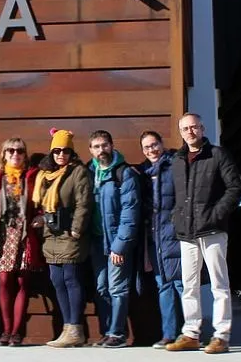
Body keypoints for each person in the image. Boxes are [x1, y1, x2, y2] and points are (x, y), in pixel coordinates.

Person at [165, 113, 241, 355]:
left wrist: (216, 214)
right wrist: (176, 217)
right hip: (186, 233)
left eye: (194, 127)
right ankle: (191, 333)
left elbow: (235, 187)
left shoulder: (218, 155)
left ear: (202, 128)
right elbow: (176, 196)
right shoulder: (177, 160)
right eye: (185, 128)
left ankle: (221, 335)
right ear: (181, 132)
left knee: (219, 285)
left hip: (212, 230)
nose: (190, 132)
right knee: (189, 285)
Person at [0, 137, 43, 347]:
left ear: (25, 154)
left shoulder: (32, 178)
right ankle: (5, 330)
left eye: (20, 151)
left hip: (25, 236)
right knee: (5, 281)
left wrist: (40, 217)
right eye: (11, 151)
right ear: (3, 154)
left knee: (23, 282)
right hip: (2, 237)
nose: (15, 154)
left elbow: (41, 205)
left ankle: (16, 332)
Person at [34, 129, 91, 348]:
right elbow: (42, 203)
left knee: (71, 279)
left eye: (65, 150)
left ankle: (75, 328)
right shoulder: (45, 175)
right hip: (51, 234)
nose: (61, 155)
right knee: (57, 281)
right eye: (57, 150)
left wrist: (77, 229)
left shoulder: (78, 172)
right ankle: (67, 328)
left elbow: (83, 202)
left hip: (70, 234)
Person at [87, 129, 140, 348]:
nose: (102, 150)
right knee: (101, 287)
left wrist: (119, 246)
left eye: (105, 145)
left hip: (117, 242)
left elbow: (130, 212)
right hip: (96, 241)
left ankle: (117, 334)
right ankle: (109, 330)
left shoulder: (123, 173)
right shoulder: (88, 172)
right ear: (90, 150)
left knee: (117, 287)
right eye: (97, 146)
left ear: (112, 145)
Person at [138, 130, 183, 348]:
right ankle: (169, 334)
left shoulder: (174, 164)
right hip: (154, 238)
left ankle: (191, 333)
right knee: (163, 285)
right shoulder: (143, 172)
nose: (151, 150)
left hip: (174, 235)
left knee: (182, 284)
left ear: (162, 144)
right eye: (147, 147)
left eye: (154, 145)